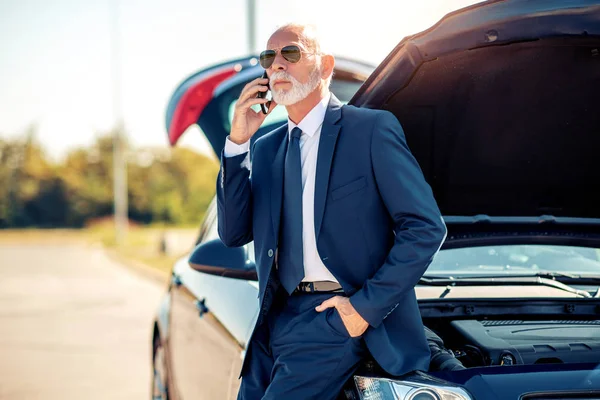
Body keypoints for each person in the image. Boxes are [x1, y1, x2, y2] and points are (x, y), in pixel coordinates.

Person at [217, 23, 447, 400]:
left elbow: (425, 228)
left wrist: (362, 309)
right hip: (274, 319)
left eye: (290, 54)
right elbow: (233, 232)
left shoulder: (370, 130)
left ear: (325, 67)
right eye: (268, 57)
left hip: (335, 317)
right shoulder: (265, 148)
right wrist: (238, 141)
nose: (276, 65)